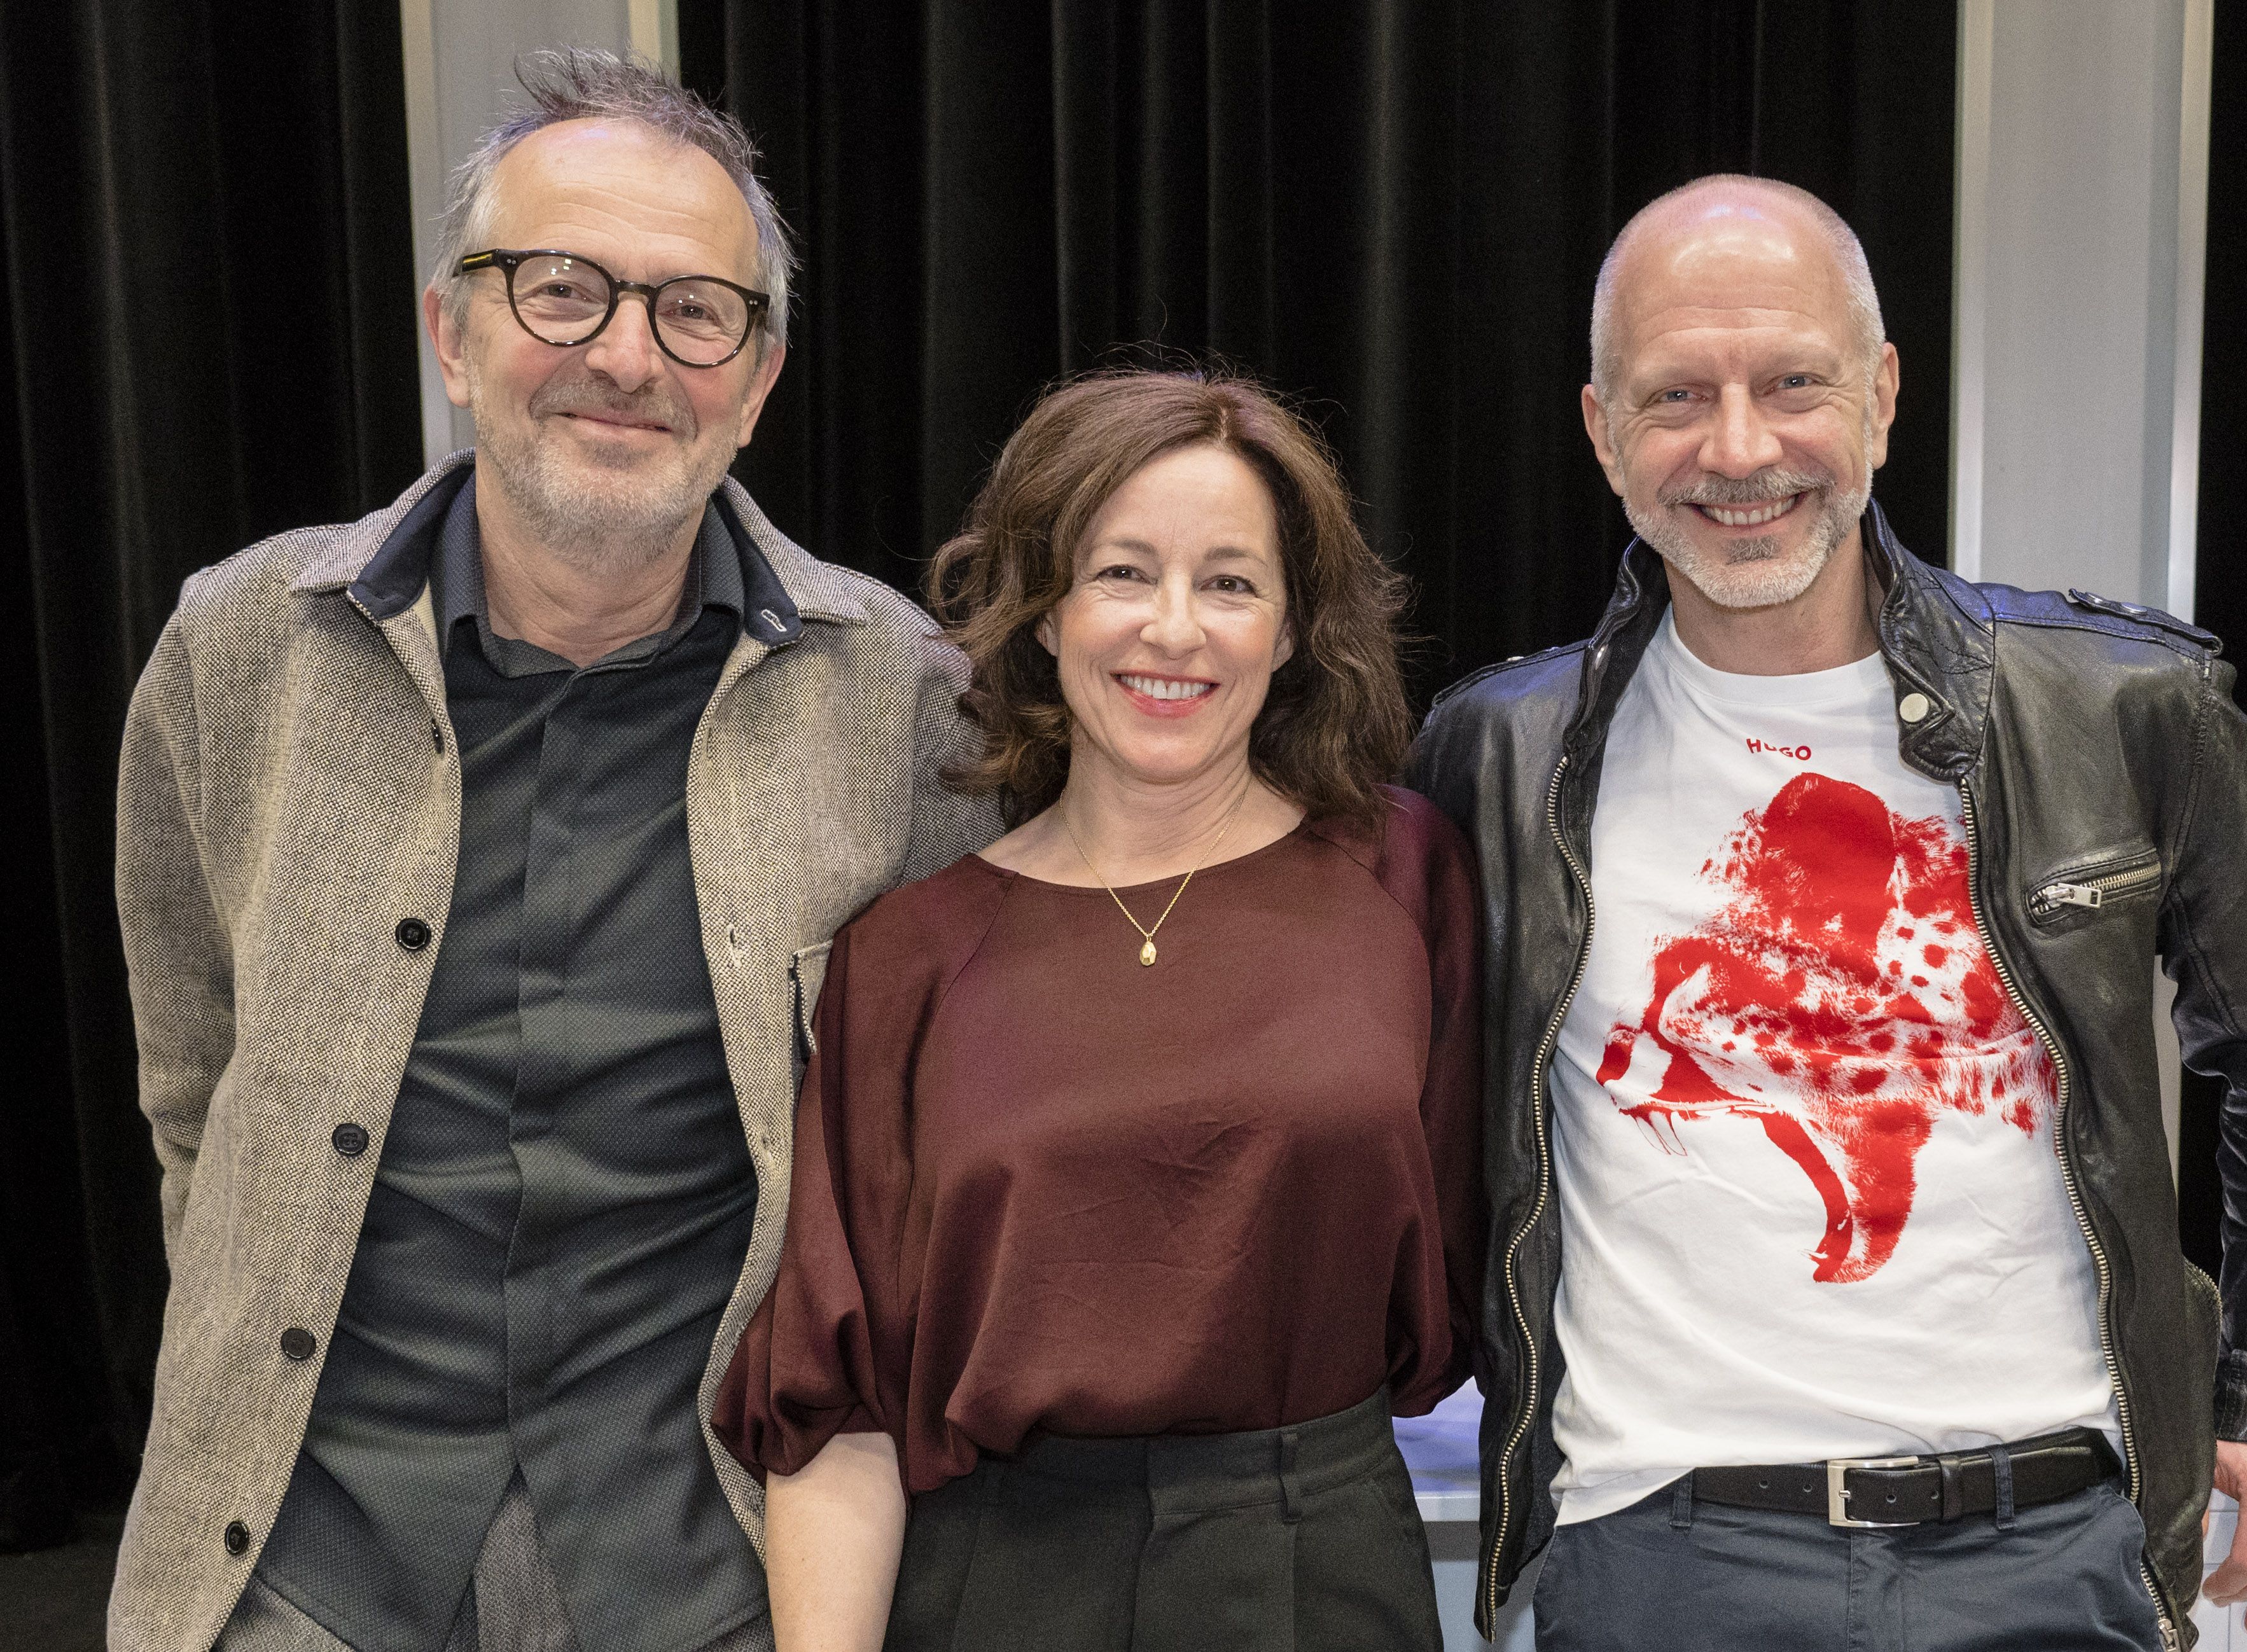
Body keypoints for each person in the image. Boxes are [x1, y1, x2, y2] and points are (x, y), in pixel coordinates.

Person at [1407, 175, 2247, 1651]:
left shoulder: (2121, 710)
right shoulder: (1498, 753)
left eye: (1791, 382)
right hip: (1664, 1554)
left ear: (1880, 395)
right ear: (1603, 433)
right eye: (1676, 396)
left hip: (2061, 1540)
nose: (1739, 450)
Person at [111, 50, 993, 1652]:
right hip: (298, 1574)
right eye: (562, 289)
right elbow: (194, 1097)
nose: (626, 358)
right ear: (454, 330)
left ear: (759, 375)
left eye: (693, 312)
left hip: (707, 1569)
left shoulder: (902, 706)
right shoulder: (239, 653)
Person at [713, 369, 1484, 1652]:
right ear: (1047, 610)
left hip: (1320, 1568)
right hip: (999, 1586)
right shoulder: (909, 956)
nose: (1172, 630)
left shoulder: (1407, 880)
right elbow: (838, 1410)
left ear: (1291, 629)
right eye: (1123, 574)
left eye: (1230, 583)